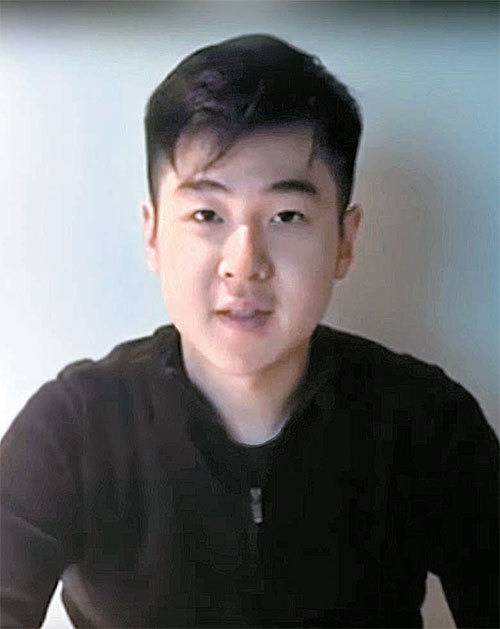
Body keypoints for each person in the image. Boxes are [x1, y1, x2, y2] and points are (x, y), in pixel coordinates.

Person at [1, 33, 498, 629]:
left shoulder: (426, 423)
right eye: (207, 214)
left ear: (344, 241)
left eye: (287, 216)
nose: (244, 263)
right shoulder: (73, 428)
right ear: (153, 234)